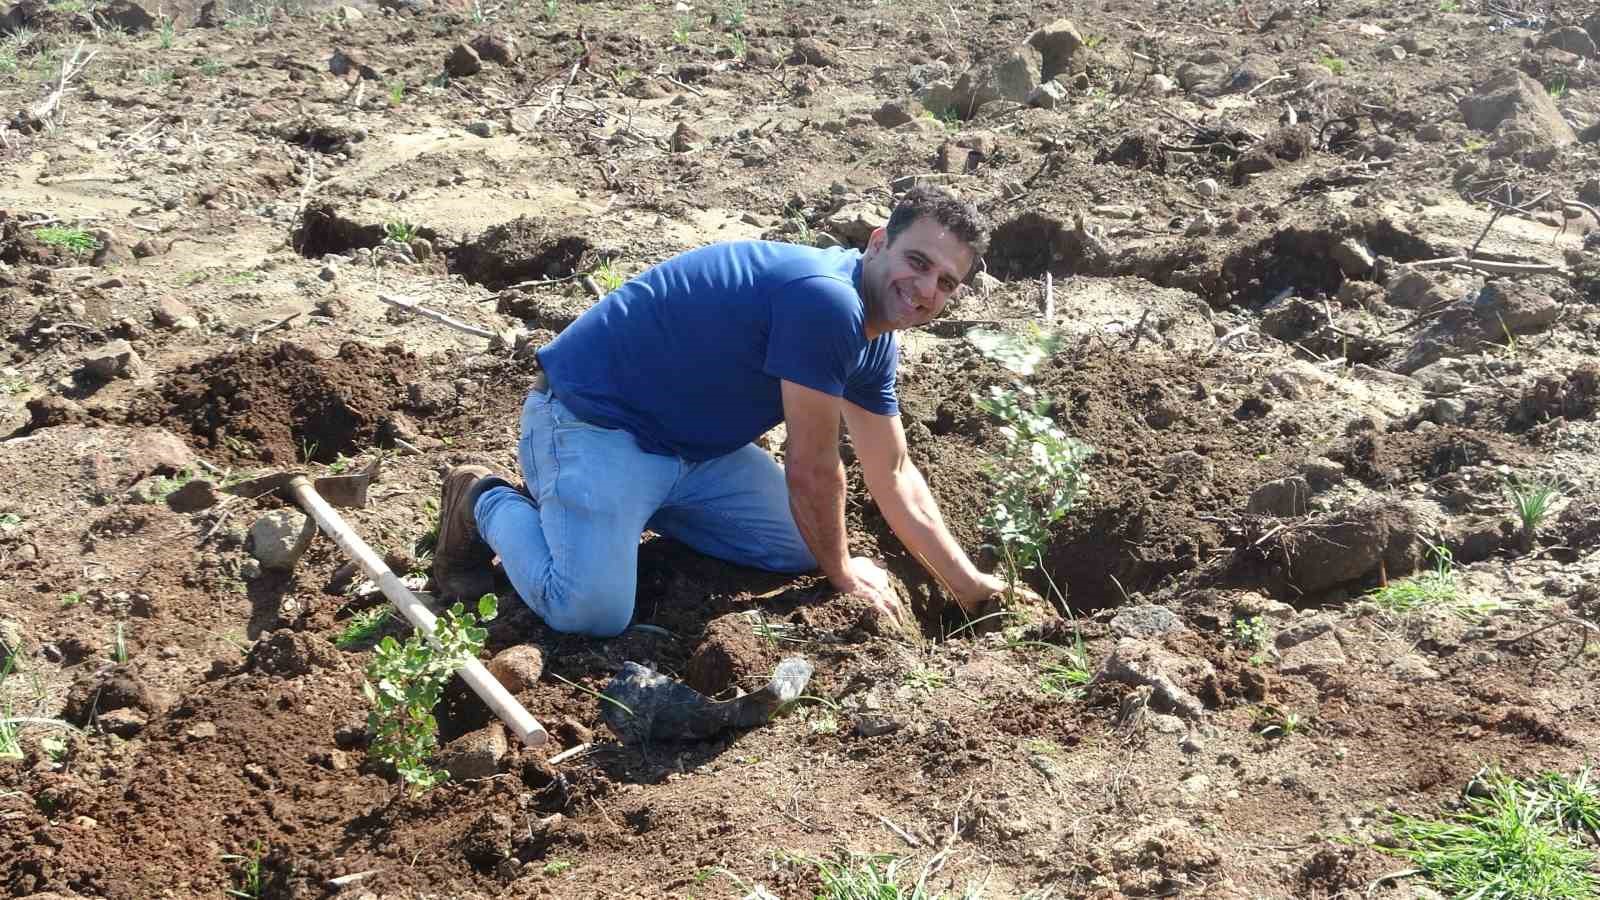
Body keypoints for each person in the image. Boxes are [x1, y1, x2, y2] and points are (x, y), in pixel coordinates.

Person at [432, 186, 1019, 637]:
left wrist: (969, 588)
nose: (927, 290)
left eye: (946, 282)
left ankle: (632, 512)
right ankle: (482, 500)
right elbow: (813, 467)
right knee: (590, 612)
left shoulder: (874, 338)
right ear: (877, 243)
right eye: (918, 262)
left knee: (804, 543)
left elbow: (892, 471)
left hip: (693, 452)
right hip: (592, 425)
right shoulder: (825, 300)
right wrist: (842, 574)